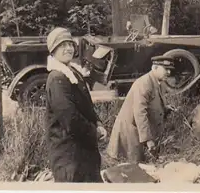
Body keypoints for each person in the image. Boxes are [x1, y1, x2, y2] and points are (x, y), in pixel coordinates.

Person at [44, 27, 108, 183]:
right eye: (62, 45)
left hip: (81, 153)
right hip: (69, 157)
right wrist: (95, 133)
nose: (68, 49)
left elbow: (86, 104)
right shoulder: (57, 78)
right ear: (53, 50)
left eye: (70, 44)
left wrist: (98, 122)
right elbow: (70, 119)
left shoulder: (71, 72)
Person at [106, 55, 176, 163]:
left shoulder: (159, 82)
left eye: (170, 70)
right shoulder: (144, 83)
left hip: (139, 130)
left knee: (140, 164)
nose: (169, 72)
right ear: (154, 68)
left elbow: (153, 101)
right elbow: (140, 113)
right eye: (165, 69)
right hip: (131, 130)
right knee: (131, 166)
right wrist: (148, 140)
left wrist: (165, 108)